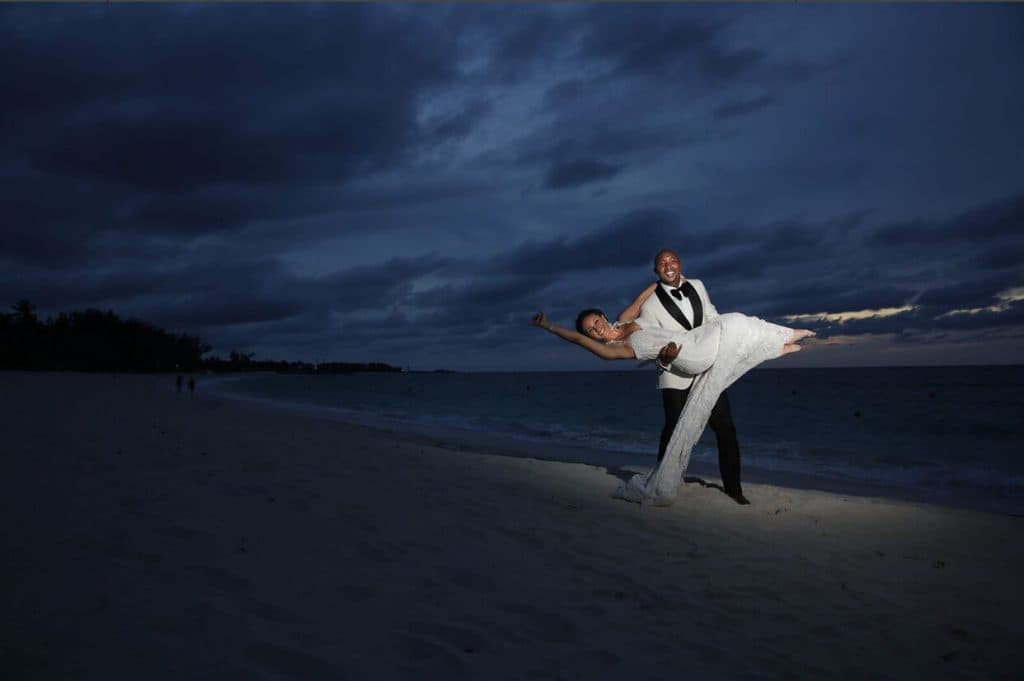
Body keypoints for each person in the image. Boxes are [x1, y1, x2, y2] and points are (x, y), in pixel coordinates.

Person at [530, 282, 814, 506]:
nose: (598, 329)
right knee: (673, 428)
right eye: (592, 330)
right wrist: (549, 327)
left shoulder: (623, 319)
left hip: (692, 340)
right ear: (591, 337)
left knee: (734, 322)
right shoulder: (614, 350)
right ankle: (664, 477)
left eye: (597, 321)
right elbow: (577, 339)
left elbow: (643, 298)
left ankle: (778, 343)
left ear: (604, 316)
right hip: (683, 360)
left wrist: (665, 276)